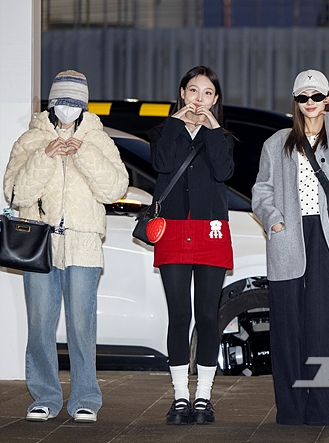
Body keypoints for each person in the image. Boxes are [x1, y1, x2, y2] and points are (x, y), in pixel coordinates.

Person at [4, 70, 128, 423]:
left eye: (75, 103)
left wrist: (84, 155)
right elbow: (15, 193)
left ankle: (86, 397)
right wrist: (44, 156)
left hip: (83, 242)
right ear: (52, 102)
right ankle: (44, 396)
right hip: (39, 244)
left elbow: (115, 188)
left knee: (82, 324)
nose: (68, 109)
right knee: (40, 324)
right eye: (62, 101)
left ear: (84, 105)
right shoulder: (30, 139)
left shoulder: (97, 139)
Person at [252, 70, 329, 425]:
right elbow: (261, 190)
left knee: (325, 325)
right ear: (296, 102)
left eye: (317, 96)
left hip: (325, 236)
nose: (310, 103)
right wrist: (273, 220)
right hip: (288, 235)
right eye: (303, 97)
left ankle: (323, 408)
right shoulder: (277, 143)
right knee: (286, 325)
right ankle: (291, 408)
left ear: (327, 99)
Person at [149, 65, 234, 425]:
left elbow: (224, 172)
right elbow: (162, 162)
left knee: (207, 317)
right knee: (180, 315)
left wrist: (212, 130)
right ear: (183, 93)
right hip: (173, 230)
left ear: (215, 100)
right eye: (194, 91)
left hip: (211, 230)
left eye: (208, 93)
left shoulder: (222, 136)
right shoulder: (163, 131)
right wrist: (175, 124)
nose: (199, 99)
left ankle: (204, 398)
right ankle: (180, 396)